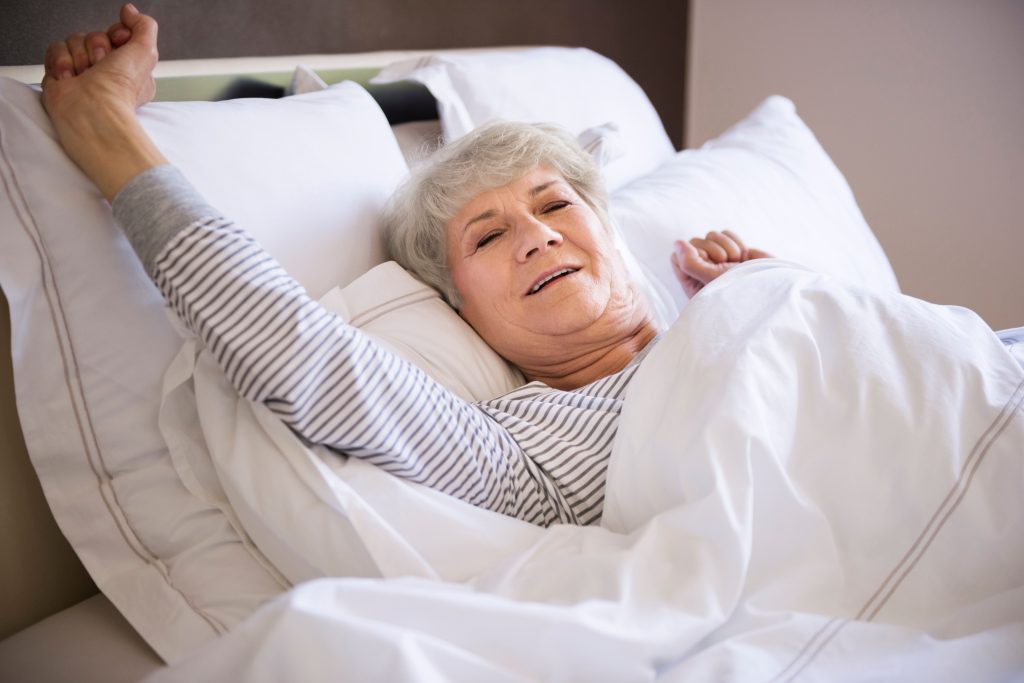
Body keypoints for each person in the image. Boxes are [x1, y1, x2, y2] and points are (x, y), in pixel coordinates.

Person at [42, 5, 771, 527]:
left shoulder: (741, 305)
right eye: (486, 238)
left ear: (606, 232)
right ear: (459, 309)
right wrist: (107, 129)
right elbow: (295, 351)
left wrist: (771, 292)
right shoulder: (526, 454)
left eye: (552, 205)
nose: (535, 238)